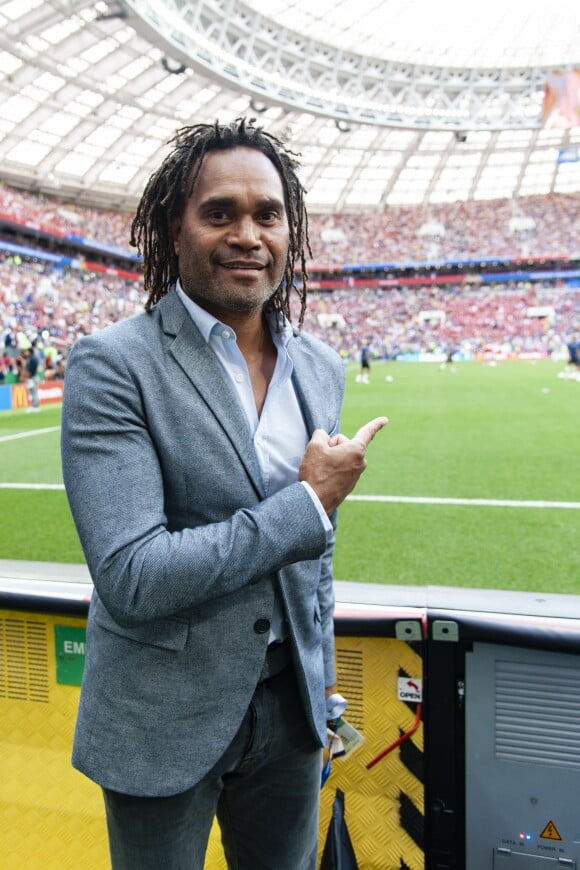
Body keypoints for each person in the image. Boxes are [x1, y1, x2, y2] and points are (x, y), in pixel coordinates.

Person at [61, 118, 387, 870]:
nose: (248, 233)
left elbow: (317, 552)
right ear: (174, 230)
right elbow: (133, 576)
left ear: (289, 231)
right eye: (220, 213)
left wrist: (321, 674)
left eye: (267, 214)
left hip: (293, 710)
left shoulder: (320, 368)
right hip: (160, 717)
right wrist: (304, 505)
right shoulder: (113, 365)